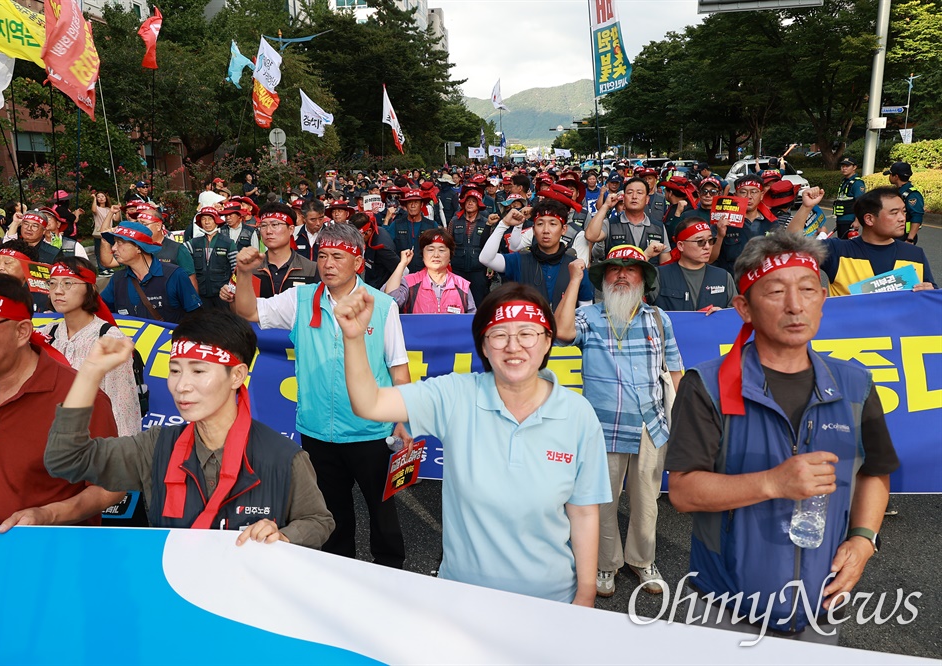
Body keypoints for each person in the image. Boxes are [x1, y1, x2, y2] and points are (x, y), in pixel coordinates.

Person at [666, 231, 899, 643]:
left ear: (823, 301)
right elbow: (684, 493)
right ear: (744, 308)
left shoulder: (855, 384)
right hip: (724, 603)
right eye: (775, 292)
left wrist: (864, 541)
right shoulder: (708, 385)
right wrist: (773, 482)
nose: (795, 305)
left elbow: (874, 473)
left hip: (821, 603)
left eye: (808, 290)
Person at [335, 282, 612, 604]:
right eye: (499, 335)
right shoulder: (455, 395)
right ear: (483, 344)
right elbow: (371, 405)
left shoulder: (578, 414)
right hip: (462, 598)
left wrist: (586, 593)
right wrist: (354, 339)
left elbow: (583, 514)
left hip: (553, 602)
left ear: (548, 340)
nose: (513, 346)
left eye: (527, 333)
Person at [45, 309, 335, 545]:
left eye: (198, 371)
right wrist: (90, 373)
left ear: (237, 376)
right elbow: (65, 459)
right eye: (174, 371)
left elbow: (318, 520)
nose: (181, 386)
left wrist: (284, 536)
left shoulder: (283, 456)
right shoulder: (155, 447)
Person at [232, 223, 411, 568]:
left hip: (370, 431)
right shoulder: (301, 299)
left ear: (358, 263)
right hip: (317, 432)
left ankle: (393, 577)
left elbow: (399, 368)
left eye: (338, 257)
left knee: (383, 513)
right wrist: (242, 273)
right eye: (323, 256)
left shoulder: (384, 305)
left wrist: (404, 420)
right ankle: (337, 577)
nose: (327, 264)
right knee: (331, 516)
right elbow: (249, 311)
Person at [554, 244, 684, 598]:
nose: (622, 275)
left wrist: (686, 418)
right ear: (603, 278)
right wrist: (575, 279)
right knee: (603, 502)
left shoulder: (658, 319)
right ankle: (605, 564)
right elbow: (562, 333)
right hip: (603, 427)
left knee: (647, 501)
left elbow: (674, 368)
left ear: (644, 279)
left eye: (631, 269)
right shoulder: (589, 316)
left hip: (650, 426)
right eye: (614, 269)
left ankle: (642, 560)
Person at [0, 272, 121, 529]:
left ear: (21, 332)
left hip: (51, 556)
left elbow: (109, 487)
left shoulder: (80, 396)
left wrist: (49, 515)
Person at [40, 257, 142, 436]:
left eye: (68, 283)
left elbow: (122, 407)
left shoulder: (108, 340)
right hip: (48, 435)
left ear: (90, 288)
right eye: (52, 283)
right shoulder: (47, 334)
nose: (58, 291)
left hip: (91, 440)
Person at [787, 187, 935, 296]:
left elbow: (933, 294)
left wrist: (931, 291)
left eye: (903, 211)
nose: (902, 218)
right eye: (894, 213)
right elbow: (791, 245)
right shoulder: (837, 251)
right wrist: (806, 207)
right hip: (850, 337)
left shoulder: (915, 254)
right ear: (869, 219)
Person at [480, 199, 594, 312]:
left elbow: (586, 308)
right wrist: (503, 224)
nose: (546, 230)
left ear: (563, 229)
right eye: (540, 224)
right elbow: (486, 259)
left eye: (553, 224)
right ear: (534, 230)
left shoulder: (575, 267)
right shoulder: (519, 261)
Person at [102, 220, 202, 323]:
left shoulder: (174, 275)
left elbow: (195, 315)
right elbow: (100, 310)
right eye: (114, 243)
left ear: (138, 248)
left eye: (119, 242)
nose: (113, 248)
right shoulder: (117, 280)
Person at [220, 203, 318, 299]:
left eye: (275, 224)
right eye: (263, 225)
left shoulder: (311, 270)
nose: (268, 231)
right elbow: (237, 306)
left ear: (291, 229)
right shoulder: (248, 267)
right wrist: (228, 296)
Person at [100, 210, 198, 291]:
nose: (140, 227)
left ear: (158, 226)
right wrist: (105, 241)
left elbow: (191, 285)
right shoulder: (134, 248)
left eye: (144, 224)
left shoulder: (177, 249)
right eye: (138, 223)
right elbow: (108, 262)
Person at [651, 218, 735, 312]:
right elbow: (638, 311)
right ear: (681, 246)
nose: (707, 247)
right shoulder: (659, 276)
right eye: (700, 242)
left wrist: (722, 315)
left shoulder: (723, 277)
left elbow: (736, 318)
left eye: (711, 241)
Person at [384, 228, 475, 314]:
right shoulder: (410, 282)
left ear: (450, 255)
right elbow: (391, 300)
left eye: (441, 250)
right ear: (422, 255)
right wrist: (402, 264)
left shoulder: (462, 285)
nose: (436, 255)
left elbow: (472, 320)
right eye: (430, 250)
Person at [584, 177, 672, 266]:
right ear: (624, 198)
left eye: (639, 193)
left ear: (647, 199)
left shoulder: (658, 227)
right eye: (630, 193)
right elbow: (590, 236)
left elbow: (665, 264)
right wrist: (605, 206)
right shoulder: (611, 224)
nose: (634, 197)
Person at [711, 175, 782, 274]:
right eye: (743, 192)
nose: (749, 196)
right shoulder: (722, 222)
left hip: (762, 281)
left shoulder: (772, 223)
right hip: (732, 283)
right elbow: (710, 259)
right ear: (735, 195)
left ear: (761, 195)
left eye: (754, 192)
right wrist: (719, 235)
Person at [448, 189, 494, 306]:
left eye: (473, 201)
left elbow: (491, 247)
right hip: (458, 269)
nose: (470, 203)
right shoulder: (454, 221)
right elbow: (448, 244)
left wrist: (491, 267)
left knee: (479, 302)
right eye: (468, 201)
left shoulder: (485, 222)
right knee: (457, 303)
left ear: (479, 205)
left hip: (478, 270)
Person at [185, 207, 237, 309]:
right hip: (201, 294)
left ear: (216, 221)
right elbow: (180, 253)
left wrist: (232, 290)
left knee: (224, 322)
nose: (207, 222)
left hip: (222, 295)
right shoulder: (194, 243)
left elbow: (236, 270)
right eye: (203, 219)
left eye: (210, 219)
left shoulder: (228, 243)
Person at [385, 190, 438, 273]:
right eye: (410, 203)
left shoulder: (432, 225)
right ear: (406, 205)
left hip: (426, 273)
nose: (413, 205)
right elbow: (386, 246)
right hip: (402, 273)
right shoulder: (396, 224)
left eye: (416, 202)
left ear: (422, 205)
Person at [350, 213, 400, 291]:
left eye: (356, 236)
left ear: (369, 231)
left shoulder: (382, 247)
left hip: (380, 289)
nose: (354, 240)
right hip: (370, 280)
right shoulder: (375, 231)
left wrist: (387, 291)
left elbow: (401, 270)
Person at [883, 161, 925, 245]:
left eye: (890, 174)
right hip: (893, 234)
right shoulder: (897, 191)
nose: (889, 177)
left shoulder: (912, 194)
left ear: (896, 176)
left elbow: (917, 216)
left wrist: (910, 239)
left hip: (904, 237)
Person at [832, 157, 865, 239]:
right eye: (842, 166)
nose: (844, 168)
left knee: (848, 247)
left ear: (854, 167)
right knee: (842, 245)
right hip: (841, 221)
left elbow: (860, 203)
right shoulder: (844, 182)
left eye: (847, 166)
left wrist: (857, 221)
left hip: (850, 221)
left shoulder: (857, 183)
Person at [91, 191, 121, 275]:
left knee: (109, 250)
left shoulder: (109, 209)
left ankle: (108, 267)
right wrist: (93, 198)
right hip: (99, 233)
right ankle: (101, 268)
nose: (101, 198)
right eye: (98, 197)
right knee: (99, 251)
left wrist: (118, 210)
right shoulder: (97, 208)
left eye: (102, 196)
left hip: (108, 232)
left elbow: (116, 219)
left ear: (106, 198)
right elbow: (93, 209)